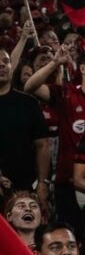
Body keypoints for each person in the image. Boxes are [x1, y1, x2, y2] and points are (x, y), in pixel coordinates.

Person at [25, 45, 85, 234]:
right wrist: (55, 63)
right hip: (67, 184)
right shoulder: (67, 94)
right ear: (83, 69)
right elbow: (30, 86)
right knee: (69, 237)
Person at [0, 48, 50, 208]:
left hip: (24, 188)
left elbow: (42, 145)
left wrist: (42, 183)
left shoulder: (29, 103)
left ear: (12, 67)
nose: (2, 65)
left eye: (6, 61)